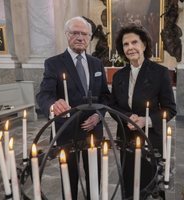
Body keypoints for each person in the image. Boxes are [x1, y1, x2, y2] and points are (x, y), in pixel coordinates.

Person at [36, 16, 110, 200]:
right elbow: (44, 95)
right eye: (75, 33)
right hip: (66, 130)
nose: (79, 37)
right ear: (67, 35)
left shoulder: (96, 63)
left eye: (84, 34)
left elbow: (105, 96)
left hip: (93, 130)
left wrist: (99, 116)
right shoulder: (53, 63)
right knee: (69, 179)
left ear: (90, 37)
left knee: (95, 176)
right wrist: (53, 104)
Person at [110, 24, 176, 199]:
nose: (130, 47)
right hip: (126, 139)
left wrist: (144, 120)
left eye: (134, 42)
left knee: (151, 187)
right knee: (129, 186)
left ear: (144, 45)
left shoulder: (160, 73)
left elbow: (170, 109)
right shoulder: (119, 76)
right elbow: (113, 106)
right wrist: (126, 118)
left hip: (150, 139)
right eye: (125, 44)